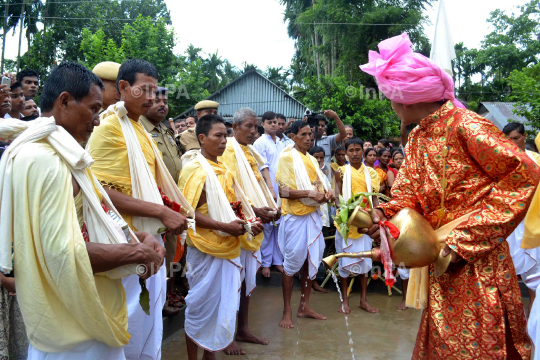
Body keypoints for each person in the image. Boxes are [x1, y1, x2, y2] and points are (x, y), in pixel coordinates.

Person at [360, 32, 537, 359]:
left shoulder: (466, 125)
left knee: (479, 345)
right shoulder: (417, 139)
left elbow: (523, 172)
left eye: (390, 96)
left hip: (476, 260)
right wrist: (386, 220)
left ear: (406, 98)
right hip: (438, 261)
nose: (390, 103)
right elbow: (406, 194)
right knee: (442, 342)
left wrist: (463, 241)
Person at [0, 62, 165, 359]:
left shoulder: (65, 151)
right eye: (94, 109)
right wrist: (137, 253)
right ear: (64, 101)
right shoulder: (43, 158)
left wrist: (135, 237)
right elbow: (61, 253)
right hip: (71, 332)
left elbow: (94, 217)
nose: (98, 121)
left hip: (91, 315)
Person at [87, 59, 190, 360]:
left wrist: (165, 211)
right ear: (122, 87)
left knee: (149, 322)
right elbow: (99, 191)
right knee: (130, 320)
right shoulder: (108, 128)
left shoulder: (139, 129)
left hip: (148, 237)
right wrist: (160, 212)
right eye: (144, 90)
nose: (151, 98)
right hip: (125, 241)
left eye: (155, 92)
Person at [178, 114, 264, 360]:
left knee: (221, 308)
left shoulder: (223, 169)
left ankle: (210, 355)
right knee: (199, 308)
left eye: (225, 136)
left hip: (228, 246)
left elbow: (233, 208)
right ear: (202, 138)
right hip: (204, 248)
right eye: (218, 136)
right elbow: (188, 213)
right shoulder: (194, 169)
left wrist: (250, 224)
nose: (224, 141)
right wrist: (224, 227)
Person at [219, 107, 280, 355]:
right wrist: (255, 210)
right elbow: (227, 191)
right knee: (232, 283)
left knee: (246, 283)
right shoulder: (229, 150)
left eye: (255, 127)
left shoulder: (249, 151)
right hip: (236, 223)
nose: (253, 132)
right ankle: (225, 336)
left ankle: (242, 328)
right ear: (235, 128)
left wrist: (268, 209)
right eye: (249, 126)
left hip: (254, 224)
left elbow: (258, 185)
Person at [276, 120, 335, 329]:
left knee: (312, 261)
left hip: (313, 216)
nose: (309, 138)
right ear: (293, 137)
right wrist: (309, 193)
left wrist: (327, 193)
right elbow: (282, 192)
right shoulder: (286, 157)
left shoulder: (311, 159)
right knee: (291, 265)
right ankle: (287, 310)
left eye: (311, 134)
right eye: (304, 134)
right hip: (295, 218)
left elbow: (322, 185)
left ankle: (304, 306)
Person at [140, 86, 185, 317]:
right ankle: (151, 305)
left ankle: (164, 299)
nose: (162, 104)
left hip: (172, 203)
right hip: (153, 203)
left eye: (165, 101)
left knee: (170, 254)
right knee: (155, 253)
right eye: (156, 100)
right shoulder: (140, 129)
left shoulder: (166, 130)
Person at [334, 138, 380, 314]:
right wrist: (346, 212)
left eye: (358, 150)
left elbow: (374, 198)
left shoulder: (371, 173)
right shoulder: (340, 172)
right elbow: (337, 198)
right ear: (346, 153)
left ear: (363, 151)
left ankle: (363, 300)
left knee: (365, 262)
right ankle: (345, 301)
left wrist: (376, 216)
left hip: (366, 223)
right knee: (345, 260)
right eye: (351, 150)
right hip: (346, 222)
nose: (354, 153)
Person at [502, 122, 540, 314]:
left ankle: (533, 330)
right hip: (509, 225)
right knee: (506, 280)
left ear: (525, 136)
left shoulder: (537, 161)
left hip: (532, 224)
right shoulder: (500, 164)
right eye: (508, 140)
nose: (512, 143)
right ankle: (513, 329)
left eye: (516, 138)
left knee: (535, 282)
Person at [254, 111, 285, 277]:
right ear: (263, 124)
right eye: (270, 122)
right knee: (267, 226)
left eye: (276, 122)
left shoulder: (280, 143)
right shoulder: (260, 142)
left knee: (278, 226)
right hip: (267, 189)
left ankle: (278, 261)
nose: (274, 125)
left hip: (281, 189)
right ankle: (265, 263)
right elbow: (262, 167)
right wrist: (270, 189)